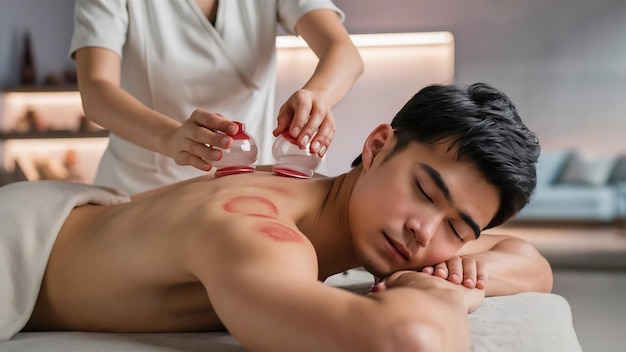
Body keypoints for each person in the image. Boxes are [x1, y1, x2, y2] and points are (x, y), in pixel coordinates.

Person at [3, 83, 550, 351]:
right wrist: (448, 293)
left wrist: (459, 271)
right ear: (379, 145)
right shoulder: (263, 238)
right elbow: (409, 340)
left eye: (458, 229)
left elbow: (530, 262)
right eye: (425, 193)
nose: (424, 232)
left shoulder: (316, 198)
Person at [69, 0, 364, 194]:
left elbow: (342, 50)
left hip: (247, 187)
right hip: (144, 190)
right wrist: (171, 138)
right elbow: (96, 90)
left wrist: (318, 94)